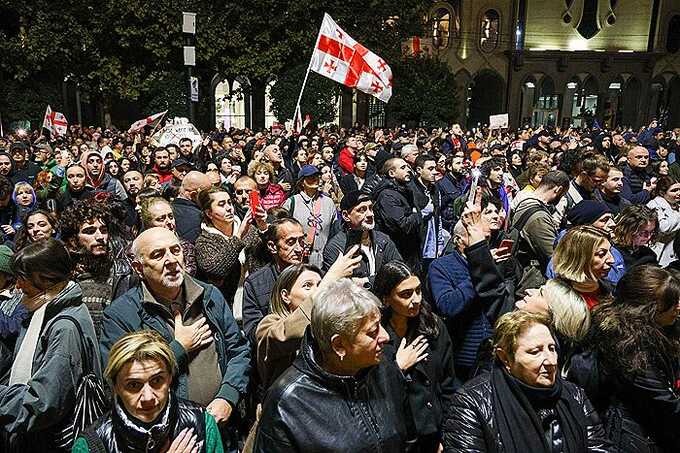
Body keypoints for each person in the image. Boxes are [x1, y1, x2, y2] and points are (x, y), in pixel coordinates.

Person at [100, 227, 250, 451]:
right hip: (169, 437)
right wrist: (179, 348)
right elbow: (116, 381)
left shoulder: (209, 296)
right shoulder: (121, 315)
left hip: (223, 425)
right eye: (158, 254)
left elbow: (238, 350)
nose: (171, 260)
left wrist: (228, 396)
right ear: (138, 268)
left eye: (175, 250)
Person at [253, 279, 409, 452]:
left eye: (380, 325)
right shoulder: (286, 402)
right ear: (339, 346)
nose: (385, 337)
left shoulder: (383, 366)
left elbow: (407, 438)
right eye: (372, 332)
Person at [442, 310, 611, 452]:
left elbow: (599, 448)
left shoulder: (574, 395)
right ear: (505, 358)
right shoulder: (472, 402)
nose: (551, 361)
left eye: (552, 348)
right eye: (535, 352)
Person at [0, 239, 101, 452]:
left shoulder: (64, 327)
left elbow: (42, 404)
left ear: (46, 279)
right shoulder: (44, 310)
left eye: (23, 278)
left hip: (46, 443)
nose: (17, 285)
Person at [73, 330, 224, 453]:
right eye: (133, 385)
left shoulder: (202, 424)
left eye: (157, 381)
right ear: (115, 387)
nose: (148, 397)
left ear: (170, 378)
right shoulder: (91, 445)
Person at [586, 266, 680, 452]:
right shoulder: (627, 348)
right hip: (637, 437)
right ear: (646, 309)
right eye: (671, 302)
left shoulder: (656, 329)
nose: (678, 307)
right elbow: (666, 404)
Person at [373, 260, 457, 453]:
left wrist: (446, 434)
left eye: (418, 291)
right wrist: (397, 368)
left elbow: (447, 386)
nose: (416, 299)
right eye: (406, 294)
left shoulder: (433, 327)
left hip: (432, 432)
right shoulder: (376, 335)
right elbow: (371, 392)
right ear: (386, 299)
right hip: (396, 436)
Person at [429, 190, 511, 381]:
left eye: (484, 238)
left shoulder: (491, 261)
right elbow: (448, 305)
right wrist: (479, 272)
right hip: (462, 357)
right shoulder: (440, 267)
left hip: (495, 351)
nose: (481, 241)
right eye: (474, 235)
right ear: (458, 240)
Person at [255, 249, 360, 392]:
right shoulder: (268, 325)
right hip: (288, 408)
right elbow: (286, 335)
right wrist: (328, 282)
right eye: (307, 286)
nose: (317, 290)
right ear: (286, 296)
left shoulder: (327, 326)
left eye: (319, 284)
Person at [194, 186, 266, 306]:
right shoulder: (204, 241)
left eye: (229, 203)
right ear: (209, 213)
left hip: (256, 299)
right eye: (221, 205)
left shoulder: (250, 230)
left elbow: (267, 257)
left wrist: (263, 227)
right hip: (228, 304)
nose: (229, 208)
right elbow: (216, 270)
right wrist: (238, 237)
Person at [242, 217, 305, 344]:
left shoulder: (314, 277)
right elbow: (254, 333)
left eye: (301, 241)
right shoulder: (255, 284)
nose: (299, 249)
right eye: (291, 242)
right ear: (272, 246)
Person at [322, 190, 402, 284]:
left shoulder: (383, 240)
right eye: (362, 210)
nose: (370, 214)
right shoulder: (335, 248)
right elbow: (340, 286)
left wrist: (366, 281)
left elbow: (399, 273)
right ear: (346, 216)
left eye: (371, 208)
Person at [283, 165, 339, 268]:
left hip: (324, 261)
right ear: (302, 182)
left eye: (317, 176)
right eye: (310, 177)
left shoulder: (328, 202)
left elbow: (335, 230)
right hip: (299, 260)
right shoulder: (292, 202)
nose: (315, 179)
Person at [374, 157, 424, 271]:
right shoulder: (387, 196)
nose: (408, 170)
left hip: (411, 250)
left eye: (407, 166)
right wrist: (418, 214)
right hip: (399, 252)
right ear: (391, 173)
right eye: (403, 167)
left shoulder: (404, 190)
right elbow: (403, 225)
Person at [552, 225, 615, 310]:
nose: (612, 260)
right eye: (601, 254)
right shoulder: (556, 298)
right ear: (578, 259)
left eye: (610, 251)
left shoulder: (612, 289)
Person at [553, 152, 609, 228]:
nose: (601, 184)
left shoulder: (595, 192)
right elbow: (554, 226)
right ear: (583, 175)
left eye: (603, 181)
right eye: (597, 181)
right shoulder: (565, 196)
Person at [646, 175, 680, 266]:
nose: (678, 193)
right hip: (660, 250)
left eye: (679, 189)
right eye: (674, 190)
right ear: (662, 192)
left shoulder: (676, 205)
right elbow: (663, 227)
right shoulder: (654, 205)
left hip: (674, 248)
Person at [172, 171, 212, 243]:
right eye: (206, 194)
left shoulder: (168, 210)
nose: (209, 197)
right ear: (193, 195)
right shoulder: (200, 218)